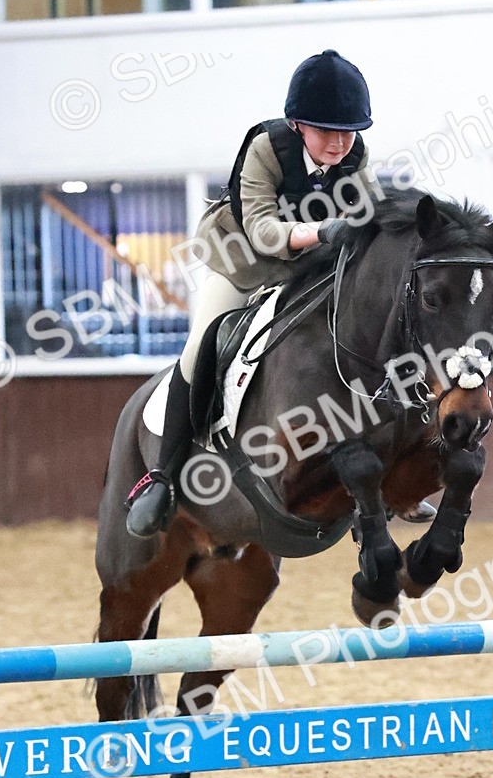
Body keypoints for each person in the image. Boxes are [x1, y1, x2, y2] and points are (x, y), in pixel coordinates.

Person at [126, 49, 434, 538]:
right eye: (326, 131)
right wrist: (323, 232)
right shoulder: (265, 149)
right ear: (297, 125)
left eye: (348, 131)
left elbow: (372, 214)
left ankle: (396, 476)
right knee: (200, 345)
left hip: (310, 263)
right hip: (242, 258)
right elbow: (263, 229)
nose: (338, 143)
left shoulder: (354, 154)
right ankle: (161, 478)